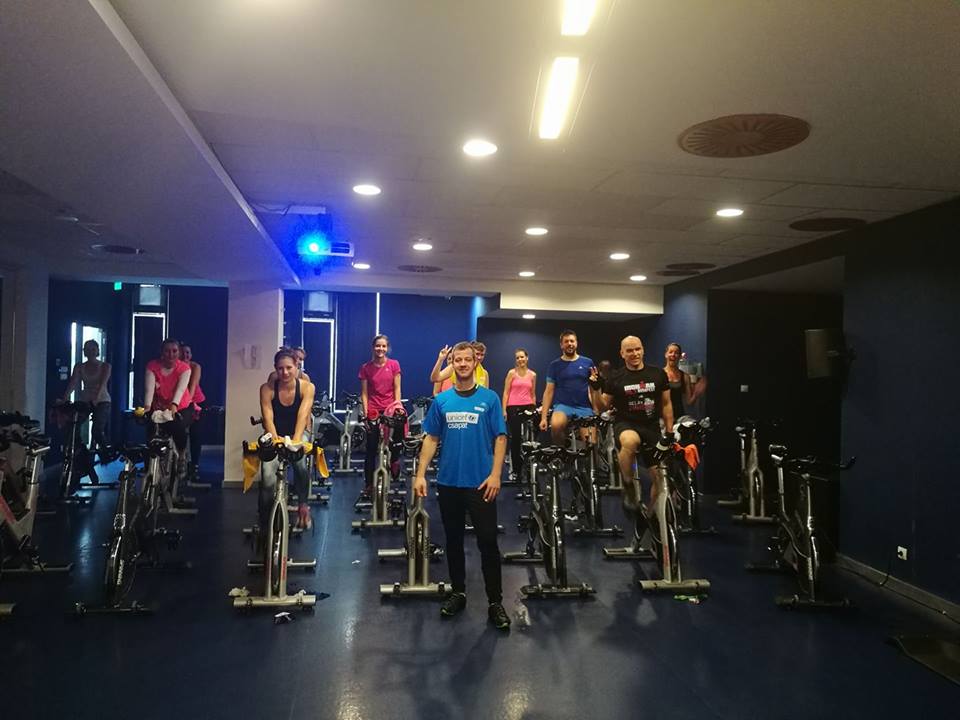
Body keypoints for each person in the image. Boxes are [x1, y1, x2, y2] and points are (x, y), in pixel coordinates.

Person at [414, 341, 510, 629]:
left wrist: (496, 475)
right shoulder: (442, 401)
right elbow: (431, 439)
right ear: (452, 363)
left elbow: (501, 438)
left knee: (487, 542)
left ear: (475, 362)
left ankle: (495, 602)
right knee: (453, 541)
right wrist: (420, 474)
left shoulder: (490, 398)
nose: (463, 364)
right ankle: (458, 592)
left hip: (481, 483)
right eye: (458, 360)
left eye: (468, 359)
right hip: (449, 482)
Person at [590, 335, 674, 513]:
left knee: (660, 478)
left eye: (637, 349)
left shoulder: (658, 374)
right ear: (622, 353)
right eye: (629, 350)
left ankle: (652, 517)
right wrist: (596, 389)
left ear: (643, 350)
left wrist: (669, 432)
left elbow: (667, 404)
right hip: (626, 423)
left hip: (651, 427)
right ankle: (628, 486)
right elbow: (602, 406)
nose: (634, 353)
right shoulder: (615, 377)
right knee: (630, 442)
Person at [259, 349, 316, 529]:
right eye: (280, 368)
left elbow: (303, 415)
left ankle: (303, 506)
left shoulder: (307, 387)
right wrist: (276, 441)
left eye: (289, 368)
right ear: (275, 368)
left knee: (300, 464)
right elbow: (268, 418)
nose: (284, 372)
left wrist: (296, 440)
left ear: (296, 366)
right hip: (275, 434)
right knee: (267, 476)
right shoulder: (267, 389)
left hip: (297, 432)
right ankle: (265, 522)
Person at [358, 335, 403, 491]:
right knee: (371, 447)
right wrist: (365, 413)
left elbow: (397, 388)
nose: (380, 349)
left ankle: (395, 460)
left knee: (399, 429)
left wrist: (398, 405)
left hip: (390, 407)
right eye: (378, 346)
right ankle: (369, 484)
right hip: (373, 410)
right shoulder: (366, 368)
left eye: (383, 346)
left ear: (387, 348)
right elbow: (364, 393)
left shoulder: (394, 365)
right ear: (373, 348)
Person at [539, 330, 595, 445]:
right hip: (563, 406)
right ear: (561, 345)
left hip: (584, 407)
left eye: (572, 341)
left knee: (591, 443)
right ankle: (563, 451)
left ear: (576, 343)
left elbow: (594, 389)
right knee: (555, 426)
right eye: (566, 341)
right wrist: (543, 418)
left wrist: (596, 409)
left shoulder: (588, 362)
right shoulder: (554, 365)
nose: (569, 344)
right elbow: (548, 392)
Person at [63, 339, 111, 460]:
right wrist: (65, 398)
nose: (90, 352)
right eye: (87, 349)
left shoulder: (105, 366)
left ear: (97, 351)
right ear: (84, 351)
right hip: (85, 400)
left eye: (93, 349)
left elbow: (102, 384)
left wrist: (96, 399)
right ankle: (80, 451)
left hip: (102, 400)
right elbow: (73, 383)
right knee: (74, 425)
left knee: (97, 431)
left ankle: (106, 453)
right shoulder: (79, 366)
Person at [143, 338, 194, 454]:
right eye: (167, 351)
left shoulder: (184, 368)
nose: (171, 354)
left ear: (179, 353)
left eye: (174, 351)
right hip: (160, 406)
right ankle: (150, 462)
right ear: (162, 352)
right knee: (151, 427)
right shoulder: (152, 366)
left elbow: (180, 389)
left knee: (178, 426)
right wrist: (147, 407)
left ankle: (181, 455)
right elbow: (149, 389)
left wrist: (174, 406)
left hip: (182, 406)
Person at [501, 348, 537, 482]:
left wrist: (534, 408)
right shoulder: (512, 373)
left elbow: (533, 394)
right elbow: (506, 392)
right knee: (515, 438)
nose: (520, 359)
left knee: (530, 438)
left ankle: (529, 468)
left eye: (522, 357)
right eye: (517, 358)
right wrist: (504, 410)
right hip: (513, 407)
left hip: (528, 406)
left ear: (527, 358)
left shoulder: (533, 375)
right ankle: (516, 469)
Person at [180, 343, 205, 478]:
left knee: (195, 434)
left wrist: (188, 403)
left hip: (195, 401)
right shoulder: (176, 367)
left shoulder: (195, 366)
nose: (185, 355)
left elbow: (193, 385)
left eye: (188, 352)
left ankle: (194, 465)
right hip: (179, 401)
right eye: (183, 352)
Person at [663, 343, 695, 419]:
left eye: (676, 353)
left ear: (680, 356)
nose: (673, 355)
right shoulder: (659, 374)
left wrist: (696, 392)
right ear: (666, 354)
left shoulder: (685, 376)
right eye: (670, 352)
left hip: (679, 417)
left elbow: (689, 401)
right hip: (663, 418)